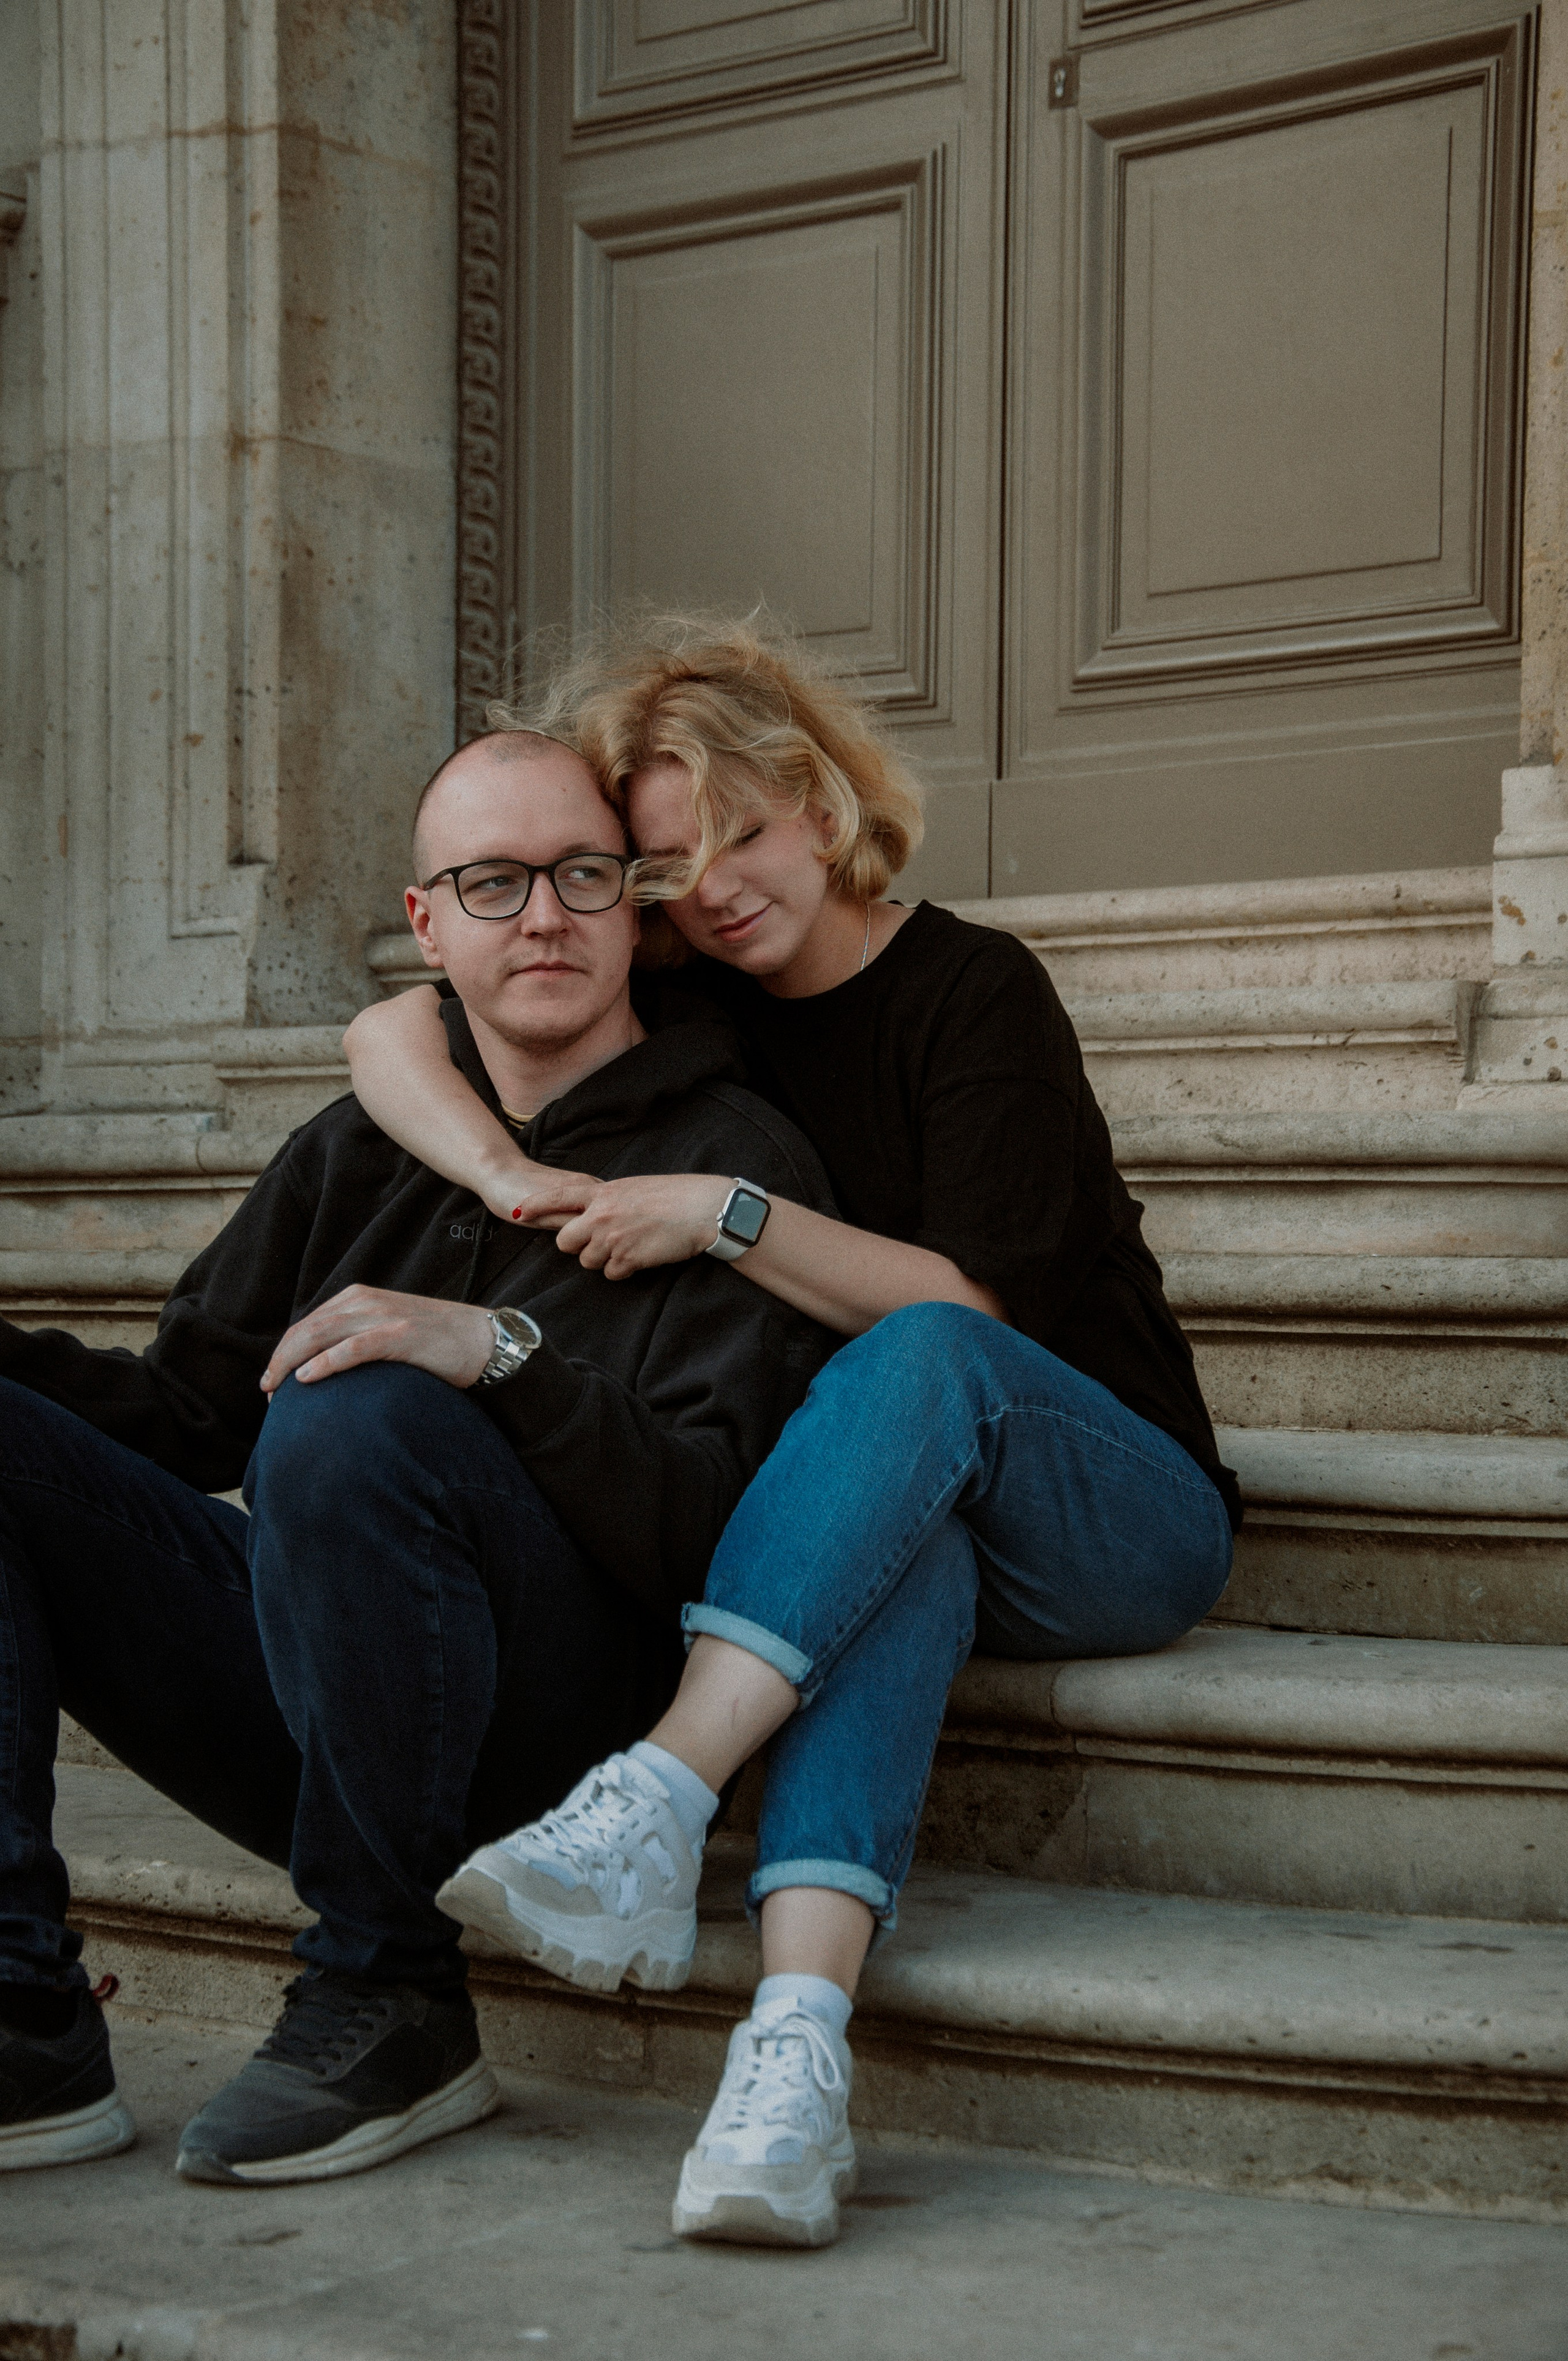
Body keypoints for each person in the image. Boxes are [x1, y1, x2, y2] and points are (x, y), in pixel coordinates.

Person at [344, 616, 1240, 2249]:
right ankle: (792, 2061)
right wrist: (502, 1179)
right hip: (915, 1510)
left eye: (741, 836)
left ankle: (665, 1787)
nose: (717, 890)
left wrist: (727, 1214)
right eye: (673, 868)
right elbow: (392, 1031)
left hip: (1115, 1498)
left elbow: (984, 1309)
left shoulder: (974, 990)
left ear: (820, 806)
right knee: (901, 1560)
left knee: (920, 1353)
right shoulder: (713, 1003)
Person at [0, 731, 837, 2185]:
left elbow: (721, 1534)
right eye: (492, 882)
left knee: (355, 1402)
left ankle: (386, 1992)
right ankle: (22, 2011)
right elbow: (185, 1416)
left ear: (634, 903)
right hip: (331, 1705)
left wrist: (496, 1356)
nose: (543, 916)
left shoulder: (727, 1163)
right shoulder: (353, 1152)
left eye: (581, 874)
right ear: (426, 922)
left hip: (562, 1740)